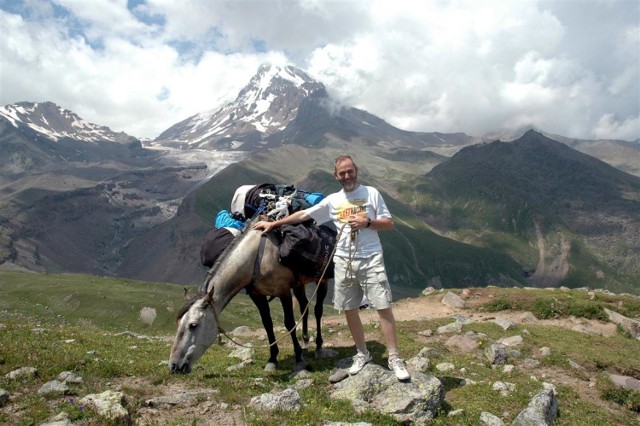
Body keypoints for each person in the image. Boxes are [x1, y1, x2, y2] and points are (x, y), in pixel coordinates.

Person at [253, 155, 410, 381]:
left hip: (370, 257)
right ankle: (362, 353)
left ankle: (394, 357)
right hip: (343, 261)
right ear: (336, 176)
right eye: (342, 173)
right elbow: (304, 215)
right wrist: (274, 223)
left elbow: (389, 223)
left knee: (383, 306)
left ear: (356, 170)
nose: (347, 176)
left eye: (350, 171)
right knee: (349, 308)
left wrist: (367, 223)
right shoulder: (333, 200)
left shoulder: (371, 193)